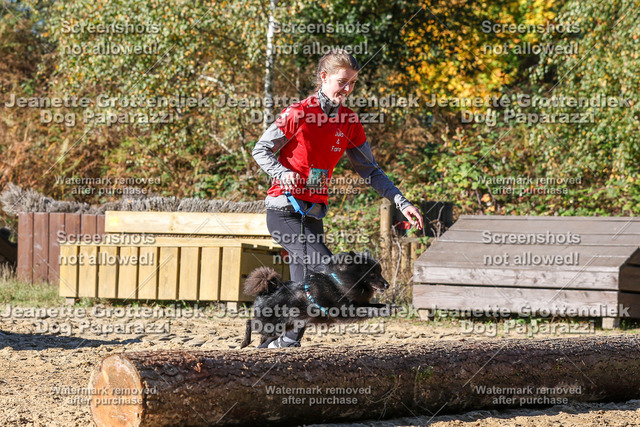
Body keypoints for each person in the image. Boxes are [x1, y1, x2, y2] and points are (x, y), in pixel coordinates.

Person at [251, 49, 423, 348]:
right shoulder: (298, 112)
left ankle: (277, 345)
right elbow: (261, 149)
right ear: (324, 77)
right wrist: (281, 172)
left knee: (304, 289)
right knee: (328, 268)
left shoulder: (348, 121)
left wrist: (402, 202)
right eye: (342, 82)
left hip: (313, 214)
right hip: (285, 211)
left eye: (352, 83)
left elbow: (370, 170)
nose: (347, 89)